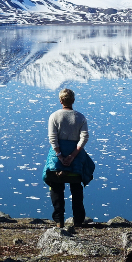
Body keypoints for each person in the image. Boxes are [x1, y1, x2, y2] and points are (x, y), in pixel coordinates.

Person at [42, 88, 95, 231]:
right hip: (76, 158)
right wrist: (72, 156)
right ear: (73, 100)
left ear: (60, 101)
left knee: (56, 188)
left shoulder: (54, 116)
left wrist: (60, 155)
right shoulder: (80, 117)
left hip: (57, 159)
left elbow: (52, 138)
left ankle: (59, 221)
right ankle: (78, 221)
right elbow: (84, 138)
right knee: (76, 189)